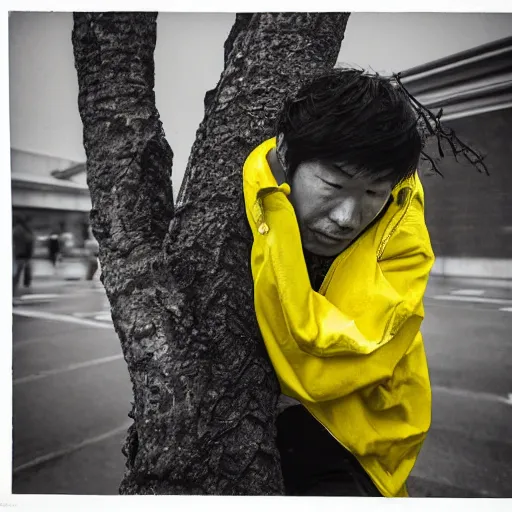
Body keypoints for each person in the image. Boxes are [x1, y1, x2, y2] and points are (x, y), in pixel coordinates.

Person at [242, 68, 486, 497]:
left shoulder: (406, 242)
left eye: (373, 193)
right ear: (285, 152)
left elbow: (318, 363)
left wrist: (270, 207)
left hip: (365, 453)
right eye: (333, 185)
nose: (346, 218)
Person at [12, 216, 35, 292]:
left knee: (20, 272)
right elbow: (28, 240)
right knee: (17, 273)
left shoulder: (19, 229)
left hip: (22, 254)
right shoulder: (20, 230)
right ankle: (14, 288)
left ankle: (23, 284)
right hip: (21, 254)